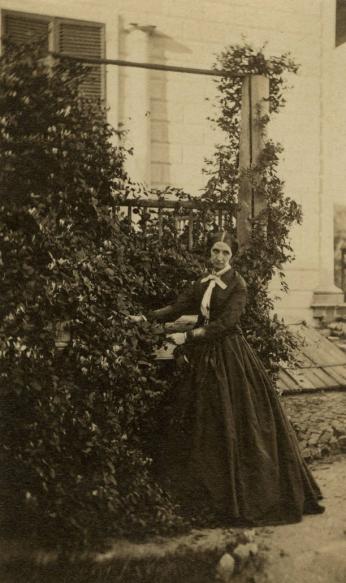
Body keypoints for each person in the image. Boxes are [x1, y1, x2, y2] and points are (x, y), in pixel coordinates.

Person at [146, 231, 324, 526]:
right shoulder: (203, 283)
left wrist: (186, 335)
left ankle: (236, 499)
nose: (218, 257)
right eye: (215, 251)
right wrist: (147, 318)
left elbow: (226, 324)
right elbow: (178, 307)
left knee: (232, 420)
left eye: (225, 253)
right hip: (203, 356)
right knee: (198, 419)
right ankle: (198, 496)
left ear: (232, 257)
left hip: (229, 355)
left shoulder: (237, 285)